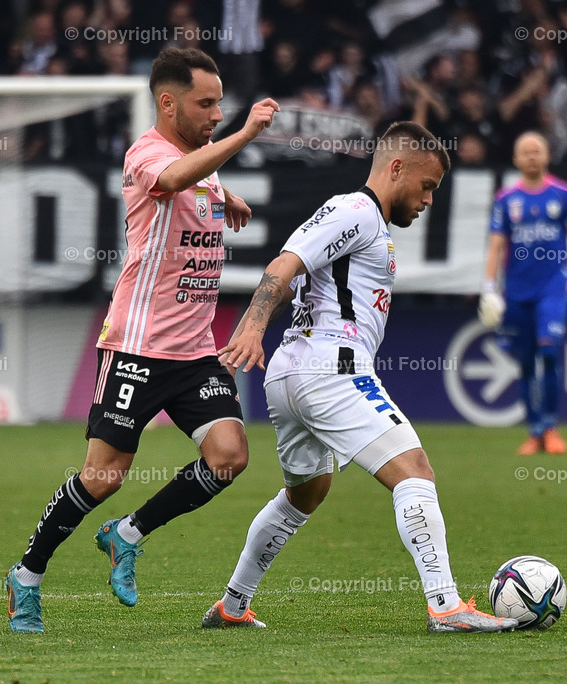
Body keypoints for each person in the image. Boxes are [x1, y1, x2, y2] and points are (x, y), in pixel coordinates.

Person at [200, 122, 519, 634]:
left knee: (306, 493)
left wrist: (257, 333)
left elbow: (296, 278)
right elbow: (283, 266)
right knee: (414, 472)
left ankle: (232, 605)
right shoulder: (356, 211)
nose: (428, 200)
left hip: (291, 371)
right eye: (427, 186)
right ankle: (445, 606)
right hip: (331, 366)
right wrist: (253, 327)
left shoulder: (362, 222)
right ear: (397, 168)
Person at [5, 46, 280, 633]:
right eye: (206, 104)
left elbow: (195, 181)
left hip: (194, 352)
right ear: (168, 103)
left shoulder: (202, 162)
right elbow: (174, 178)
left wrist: (225, 196)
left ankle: (127, 534)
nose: (216, 114)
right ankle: (26, 575)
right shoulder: (146, 154)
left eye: (221, 104)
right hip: (137, 346)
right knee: (103, 475)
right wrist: (245, 132)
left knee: (229, 457)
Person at [478, 132, 567, 456]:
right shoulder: (506, 200)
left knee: (549, 352)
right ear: (516, 159)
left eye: (537, 150)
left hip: (552, 288)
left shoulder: (563, 195)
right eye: (526, 151)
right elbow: (496, 245)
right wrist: (489, 288)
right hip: (517, 291)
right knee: (525, 362)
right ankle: (534, 431)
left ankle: (550, 427)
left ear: (548, 156)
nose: (532, 156)